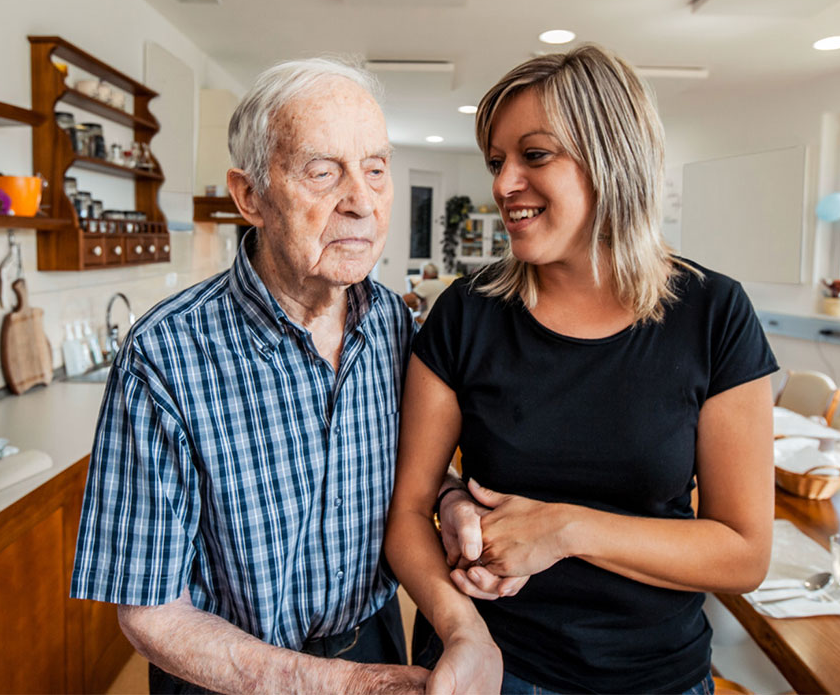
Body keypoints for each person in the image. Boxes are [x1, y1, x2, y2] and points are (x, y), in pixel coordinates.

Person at [385, 44, 779, 695]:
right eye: (496, 161)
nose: (503, 184)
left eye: (534, 155)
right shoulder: (467, 313)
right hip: (490, 666)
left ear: (612, 159)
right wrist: (463, 631)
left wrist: (565, 530)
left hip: (655, 676)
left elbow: (743, 553)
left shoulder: (712, 313)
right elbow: (408, 510)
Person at [70, 58, 438, 695]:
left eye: (376, 170)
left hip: (374, 633)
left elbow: (410, 467)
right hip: (225, 668)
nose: (361, 202)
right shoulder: (165, 355)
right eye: (323, 172)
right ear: (249, 197)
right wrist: (337, 686)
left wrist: (452, 496)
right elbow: (150, 610)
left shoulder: (395, 329)